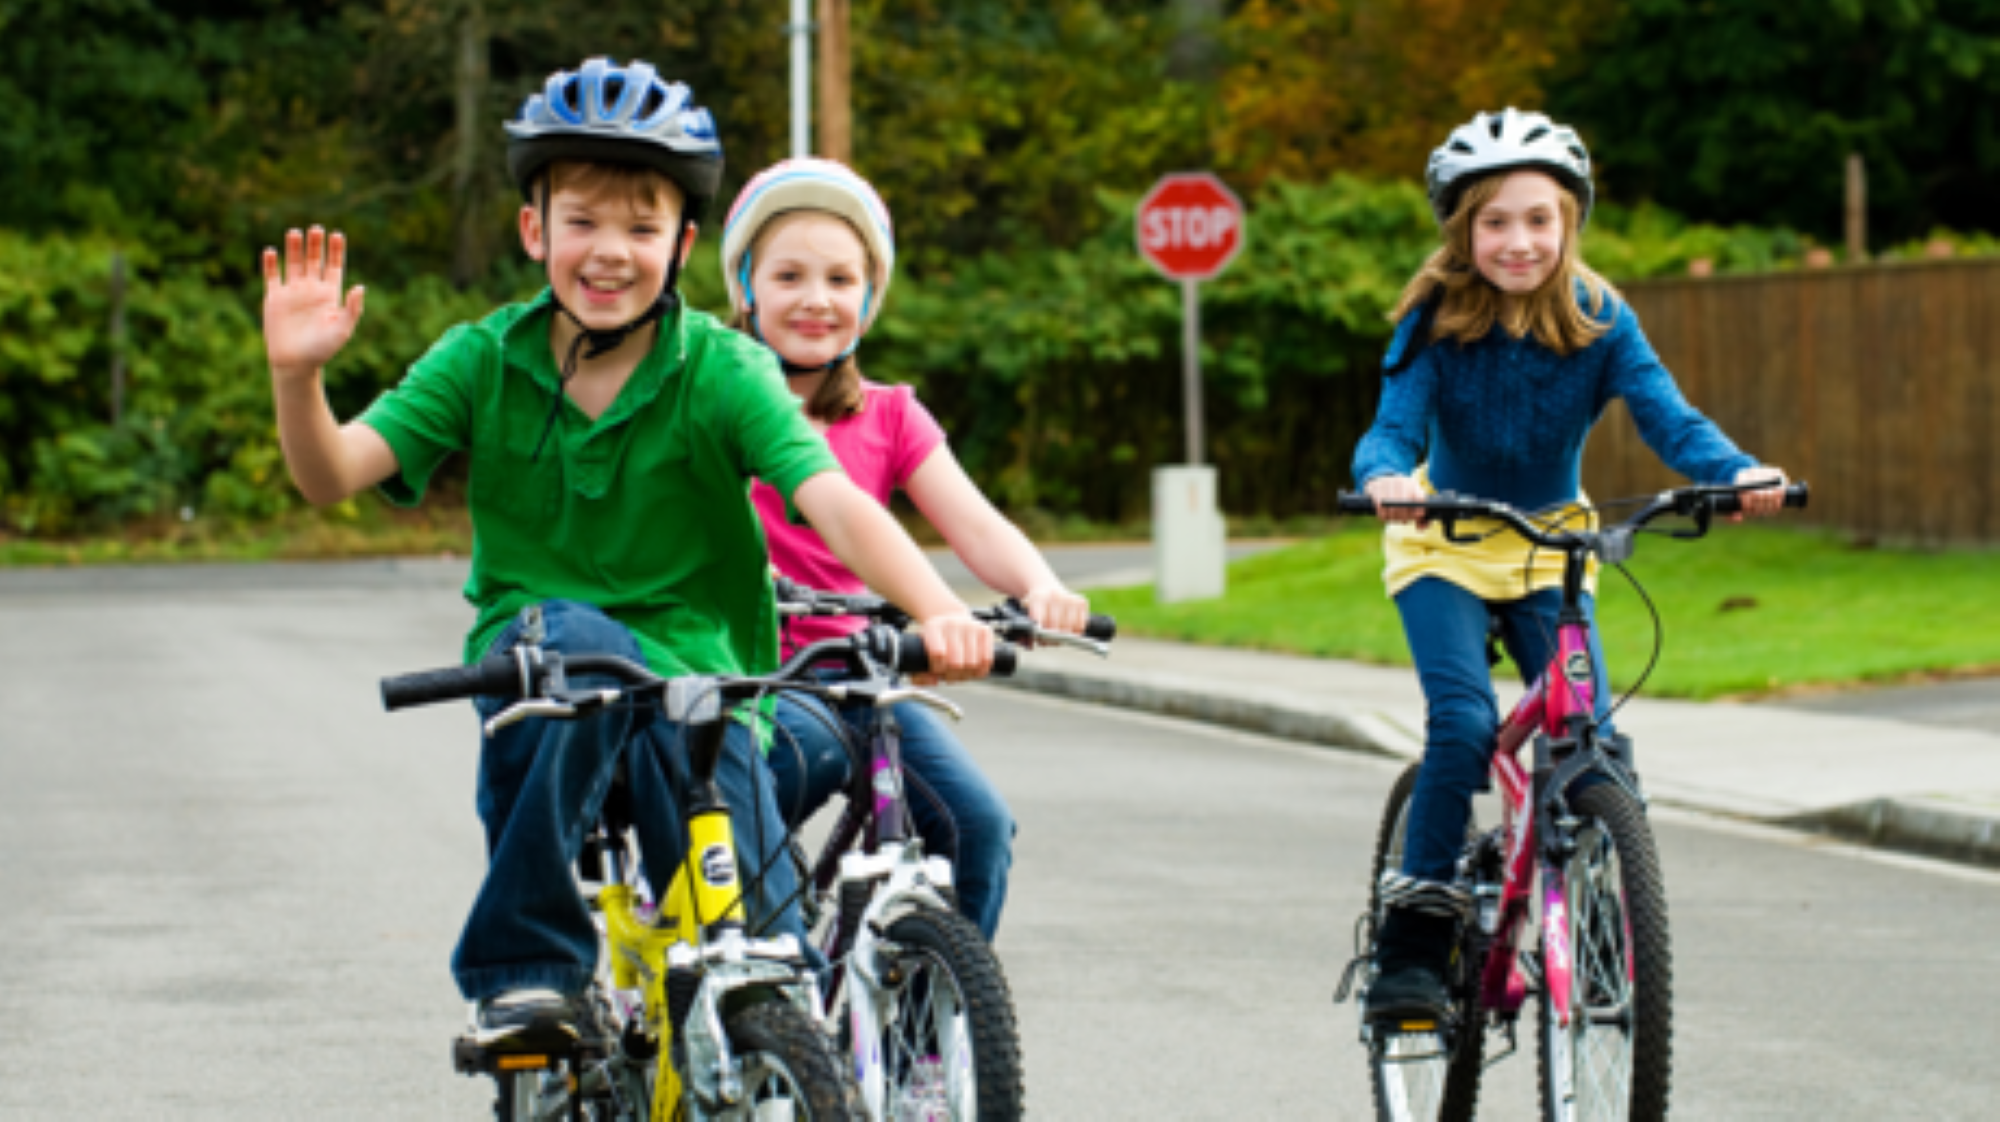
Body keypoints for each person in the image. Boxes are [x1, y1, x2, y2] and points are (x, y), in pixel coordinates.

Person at [258, 58, 994, 1050]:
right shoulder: (479, 361)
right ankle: (530, 970)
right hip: (555, 676)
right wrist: (296, 379)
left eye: (641, 229)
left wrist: (932, 606)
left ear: (682, 245)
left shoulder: (723, 367)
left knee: (765, 973)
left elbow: (831, 502)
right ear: (534, 231)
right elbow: (331, 473)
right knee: (574, 641)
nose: (610, 252)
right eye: (583, 222)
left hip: (706, 689)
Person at [1351, 108, 1788, 1021]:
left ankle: (1594, 932)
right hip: (1446, 545)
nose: (1519, 241)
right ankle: (1415, 944)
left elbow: (1666, 416)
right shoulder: (1436, 320)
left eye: (1540, 219)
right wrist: (1388, 476)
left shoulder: (1600, 318)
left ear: (1570, 223)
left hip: (1553, 547)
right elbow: (1392, 425)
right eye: (1496, 221)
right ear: (1463, 229)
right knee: (1465, 724)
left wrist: (1735, 472)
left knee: (1592, 741)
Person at [716, 158, 1090, 940]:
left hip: (862, 669)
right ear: (745, 286)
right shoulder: (714, 402)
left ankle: (920, 1036)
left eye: (841, 280)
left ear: (869, 299)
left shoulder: (890, 415)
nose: (816, 299)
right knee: (745, 820)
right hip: (748, 674)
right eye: (788, 276)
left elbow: (978, 525)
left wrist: (1040, 584)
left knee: (976, 826)